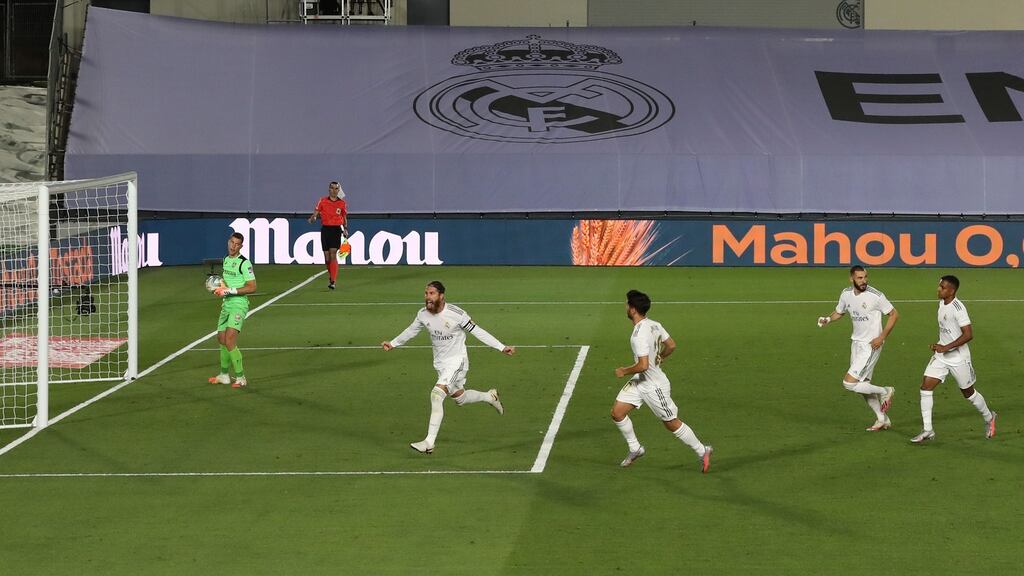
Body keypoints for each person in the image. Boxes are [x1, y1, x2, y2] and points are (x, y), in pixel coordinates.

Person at [381, 281, 515, 454]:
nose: (427, 297)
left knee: (436, 395)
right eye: (426, 293)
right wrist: (393, 343)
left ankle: (429, 442)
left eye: (431, 294)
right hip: (440, 364)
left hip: (457, 361)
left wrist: (501, 347)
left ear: (441, 296)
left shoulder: (456, 314)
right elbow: (411, 330)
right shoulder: (422, 314)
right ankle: (490, 397)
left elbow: (477, 331)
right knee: (460, 398)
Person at [611, 289, 713, 473]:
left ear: (633, 309)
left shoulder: (638, 335)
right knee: (617, 413)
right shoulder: (654, 324)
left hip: (653, 386)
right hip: (641, 381)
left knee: (671, 423)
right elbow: (671, 345)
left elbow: (643, 365)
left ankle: (702, 450)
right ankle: (635, 448)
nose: (625, 307)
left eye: (627, 304)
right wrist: (661, 357)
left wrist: (624, 371)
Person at [911, 275, 997, 443]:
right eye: (939, 286)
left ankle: (989, 417)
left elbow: (968, 335)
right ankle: (928, 430)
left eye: (942, 287)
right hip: (941, 356)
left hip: (959, 358)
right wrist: (940, 347)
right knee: (925, 387)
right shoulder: (941, 303)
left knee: (968, 393)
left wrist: (946, 347)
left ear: (951, 291)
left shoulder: (958, 308)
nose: (938, 289)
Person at [817, 265, 899, 431]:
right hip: (856, 343)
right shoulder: (846, 294)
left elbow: (894, 314)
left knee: (849, 383)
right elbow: (839, 312)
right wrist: (828, 319)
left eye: (865, 277)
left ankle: (886, 391)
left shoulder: (876, 295)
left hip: (871, 344)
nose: (864, 281)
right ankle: (882, 419)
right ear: (851, 279)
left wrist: (881, 337)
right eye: (860, 278)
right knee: (863, 386)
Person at [208, 232, 257, 389]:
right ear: (228, 242)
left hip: (239, 304)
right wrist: (219, 287)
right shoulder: (226, 260)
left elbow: (252, 287)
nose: (233, 246)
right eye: (232, 242)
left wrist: (229, 290)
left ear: (241, 246)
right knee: (221, 338)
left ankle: (241, 377)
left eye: (237, 244)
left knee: (229, 340)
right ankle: (224, 375)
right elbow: (227, 283)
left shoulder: (244, 263)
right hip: (227, 303)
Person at [308, 181, 349, 290]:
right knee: (327, 256)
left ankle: (333, 281)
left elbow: (344, 217)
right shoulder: (322, 201)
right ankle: (331, 276)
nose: (334, 190)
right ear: (329, 189)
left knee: (333, 254)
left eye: (336, 188)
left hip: (336, 229)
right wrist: (313, 218)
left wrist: (345, 229)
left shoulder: (342, 203)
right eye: (332, 188)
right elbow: (315, 213)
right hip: (325, 230)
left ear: (338, 190)